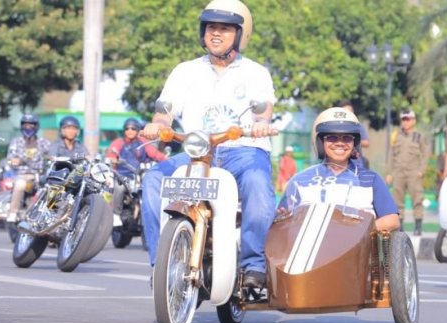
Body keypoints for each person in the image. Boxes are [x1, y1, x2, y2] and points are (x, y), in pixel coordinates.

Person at [140, 0, 277, 288]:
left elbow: (263, 109)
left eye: (225, 29)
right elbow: (165, 111)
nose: (216, 33)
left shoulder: (255, 73)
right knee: (153, 180)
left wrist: (261, 123)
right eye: (211, 27)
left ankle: (253, 265)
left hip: (243, 152)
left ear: (240, 35)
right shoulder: (185, 71)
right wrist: (159, 125)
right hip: (196, 154)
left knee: (257, 184)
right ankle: (160, 264)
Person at [277, 107, 399, 232]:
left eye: (347, 138)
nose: (340, 143)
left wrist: (362, 229)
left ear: (354, 143)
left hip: (358, 247)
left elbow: (392, 219)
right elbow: (282, 218)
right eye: (332, 138)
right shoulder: (301, 180)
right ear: (320, 142)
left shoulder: (371, 179)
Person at [385, 109, 429, 236]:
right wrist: (389, 173)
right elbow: (391, 155)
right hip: (398, 172)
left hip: (413, 172)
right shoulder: (396, 135)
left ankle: (418, 226)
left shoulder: (419, 136)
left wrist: (421, 170)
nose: (405, 122)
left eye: (408, 119)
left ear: (413, 121)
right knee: (397, 201)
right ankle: (400, 226)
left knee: (417, 199)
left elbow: (425, 154)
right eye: (403, 119)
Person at [6, 114, 51, 222]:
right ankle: (13, 212)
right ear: (22, 126)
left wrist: (51, 159)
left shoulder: (44, 143)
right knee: (20, 184)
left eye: (31, 125)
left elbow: (52, 155)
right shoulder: (16, 142)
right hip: (21, 175)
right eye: (26, 125)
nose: (28, 127)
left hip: (38, 176)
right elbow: (10, 159)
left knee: (51, 189)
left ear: (36, 127)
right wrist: (15, 161)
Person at [338, 99, 370, 168]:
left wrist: (352, 141)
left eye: (351, 111)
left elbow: (366, 143)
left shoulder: (357, 126)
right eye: (346, 112)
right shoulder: (335, 127)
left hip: (356, 165)